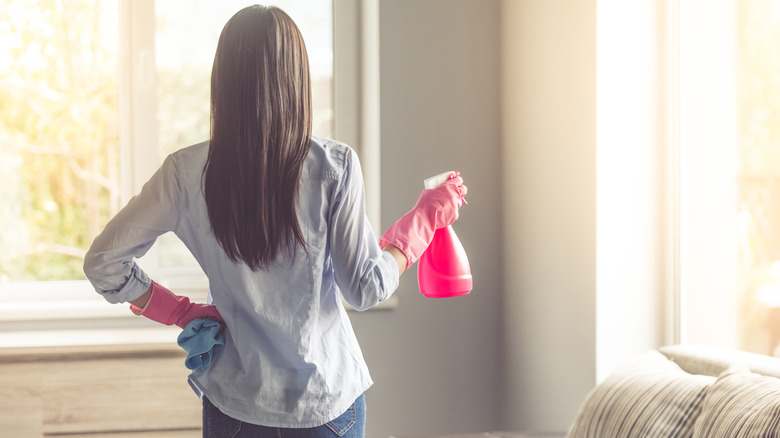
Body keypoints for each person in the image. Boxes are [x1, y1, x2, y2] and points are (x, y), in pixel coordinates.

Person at [83, 5, 467, 438]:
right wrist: (423, 220)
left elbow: (103, 263)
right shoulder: (334, 166)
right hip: (326, 403)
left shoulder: (186, 172)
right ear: (297, 79)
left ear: (223, 83)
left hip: (235, 404)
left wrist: (182, 312)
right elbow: (364, 288)